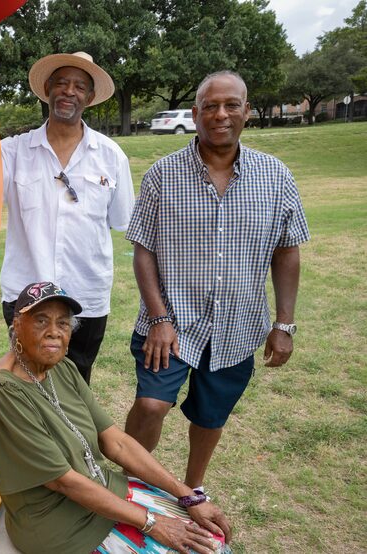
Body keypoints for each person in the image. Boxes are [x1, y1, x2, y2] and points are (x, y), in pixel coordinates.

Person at [123, 71, 310, 493]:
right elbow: (143, 249)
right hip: (172, 323)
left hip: (238, 327)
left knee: (211, 416)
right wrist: (158, 317)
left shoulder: (275, 176)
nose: (220, 114)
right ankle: (127, 486)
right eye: (210, 106)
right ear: (195, 114)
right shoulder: (162, 175)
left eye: (231, 105)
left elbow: (287, 251)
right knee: (151, 404)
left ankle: (192, 489)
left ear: (247, 110)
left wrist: (284, 324)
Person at [0, 281, 232, 554]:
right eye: (41, 321)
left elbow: (116, 442)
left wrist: (188, 496)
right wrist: (152, 523)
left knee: (210, 540)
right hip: (58, 524)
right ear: (17, 324)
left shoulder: (62, 368)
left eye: (63, 324)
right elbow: (62, 481)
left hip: (102, 489)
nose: (54, 332)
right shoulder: (3, 390)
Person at [0, 52, 135, 383]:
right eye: (61, 83)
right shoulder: (13, 152)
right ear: (47, 89)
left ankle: (73, 438)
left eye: (79, 86)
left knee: (77, 384)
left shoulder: (110, 156)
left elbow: (122, 219)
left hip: (86, 297)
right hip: (27, 295)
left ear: (89, 98)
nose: (68, 92)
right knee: (27, 383)